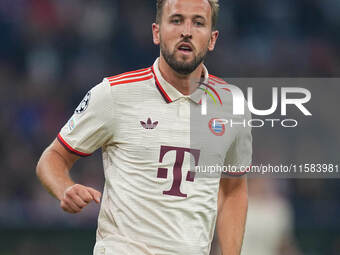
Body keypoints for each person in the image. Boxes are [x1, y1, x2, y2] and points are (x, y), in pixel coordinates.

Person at [36, 0, 252, 254]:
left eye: (198, 22)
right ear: (156, 32)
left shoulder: (232, 104)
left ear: (212, 39)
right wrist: (65, 188)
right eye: (176, 20)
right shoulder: (114, 94)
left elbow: (233, 189)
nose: (186, 31)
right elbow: (53, 158)